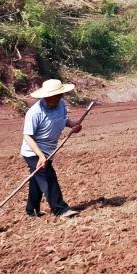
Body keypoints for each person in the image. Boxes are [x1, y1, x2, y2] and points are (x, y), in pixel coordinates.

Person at [20, 79, 83, 218]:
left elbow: (63, 119)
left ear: (60, 95)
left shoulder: (61, 105)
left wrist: (73, 125)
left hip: (49, 151)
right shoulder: (35, 112)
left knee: (37, 180)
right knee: (48, 177)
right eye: (48, 97)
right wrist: (41, 156)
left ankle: (32, 210)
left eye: (54, 97)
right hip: (33, 152)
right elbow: (27, 136)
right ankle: (61, 210)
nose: (51, 100)